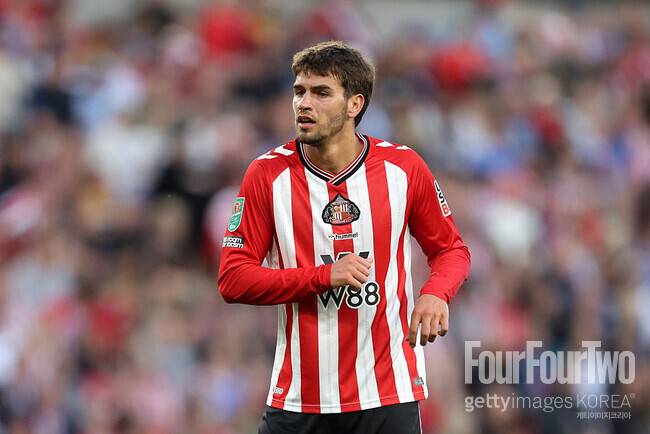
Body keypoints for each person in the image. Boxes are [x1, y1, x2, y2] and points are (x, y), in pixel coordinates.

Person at [218, 41, 470, 434]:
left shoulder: (403, 168)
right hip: (300, 398)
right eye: (299, 91)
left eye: (321, 93)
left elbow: (451, 249)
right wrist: (323, 276)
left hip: (388, 395)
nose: (304, 103)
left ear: (354, 104)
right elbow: (232, 279)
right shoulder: (267, 175)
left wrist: (436, 293)